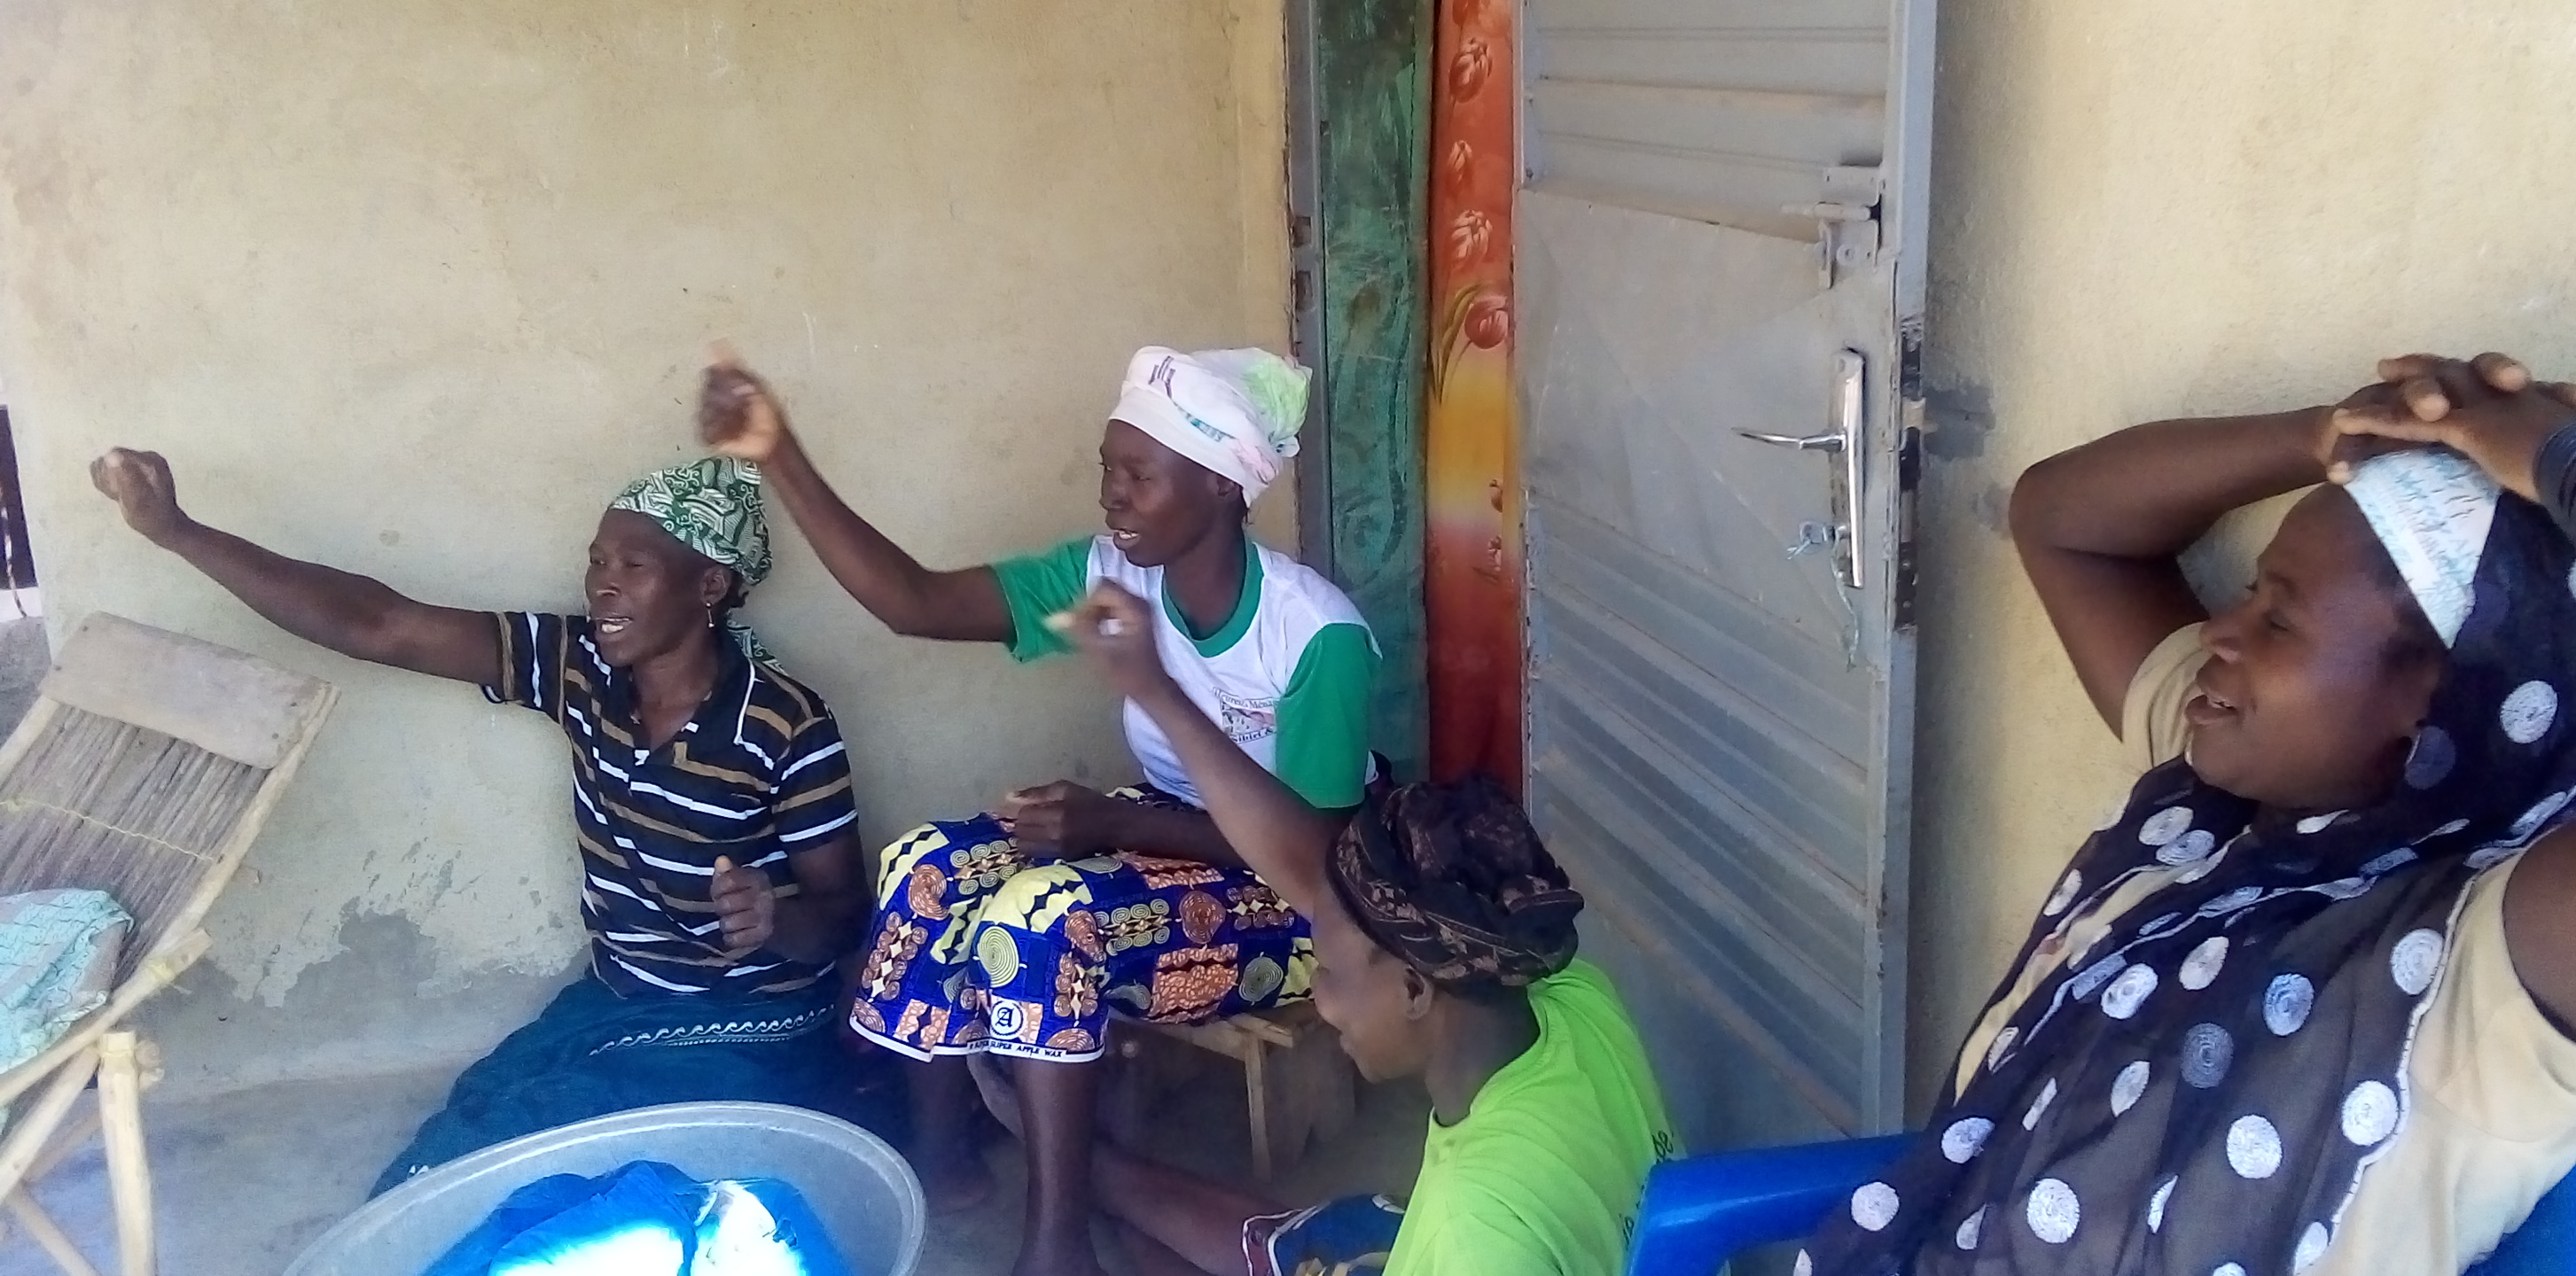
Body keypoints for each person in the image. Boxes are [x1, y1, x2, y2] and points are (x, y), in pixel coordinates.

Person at [1797, 353, 2576, 1276]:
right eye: (2249, 596)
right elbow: (2063, 521)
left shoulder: (2479, 989)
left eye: (2278, 618)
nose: (2221, 634)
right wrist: (2330, 437)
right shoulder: (2220, 814)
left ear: (2433, 701)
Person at [694, 346, 1378, 1276]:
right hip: (1170, 831)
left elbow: (1315, 857)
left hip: (1303, 903)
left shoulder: (1314, 633)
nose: (1112, 494)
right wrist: (778, 454)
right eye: (1108, 468)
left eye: (1139, 473)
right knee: (926, 865)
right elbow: (915, 601)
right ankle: (942, 1154)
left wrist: (1116, 827)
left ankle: (1056, 1246)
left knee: (1043, 919)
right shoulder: (1111, 577)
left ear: (1222, 484)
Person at [84, 449, 879, 1197]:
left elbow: (845, 918)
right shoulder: (579, 666)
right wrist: (177, 532)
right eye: (597, 562)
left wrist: (772, 921)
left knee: (550, 1179)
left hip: (752, 1023)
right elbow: (379, 624)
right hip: (620, 997)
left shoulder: (784, 723)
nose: (603, 586)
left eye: (633, 566)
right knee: (467, 1135)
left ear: (709, 584)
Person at [1032, 581, 1674, 1276]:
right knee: (1263, 1235)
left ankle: (1102, 1181)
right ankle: (1107, 1177)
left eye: (1331, 972)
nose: (1322, 1001)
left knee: (1158, 1258)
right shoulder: (1572, 995)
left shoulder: (1475, 1231)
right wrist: (1155, 690)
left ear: (1415, 989)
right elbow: (1305, 874)